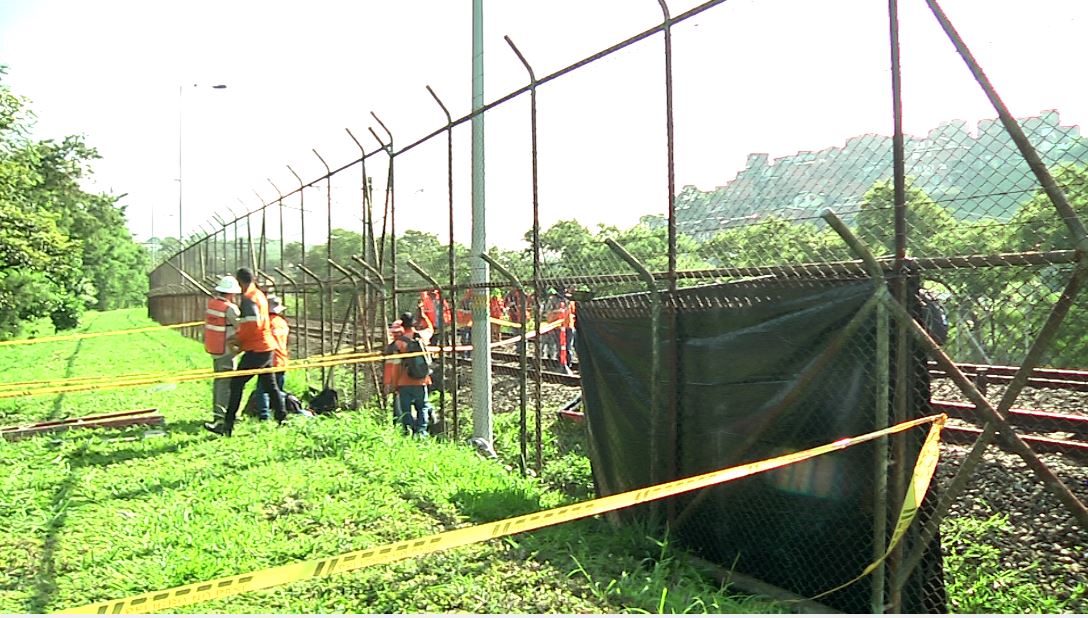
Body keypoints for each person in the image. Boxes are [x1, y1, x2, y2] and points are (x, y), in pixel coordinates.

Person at [205, 268, 286, 436]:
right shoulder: (259, 295)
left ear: (240, 281)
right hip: (267, 347)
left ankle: (227, 426)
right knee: (271, 386)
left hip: (257, 349)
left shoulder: (248, 299)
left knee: (236, 384)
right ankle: (282, 418)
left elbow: (252, 325)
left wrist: (238, 340)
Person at [383, 311, 434, 437]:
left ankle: (409, 432)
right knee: (422, 407)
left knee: (406, 410)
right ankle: (421, 433)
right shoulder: (421, 336)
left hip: (404, 382)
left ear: (402, 325)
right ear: (414, 323)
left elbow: (395, 366)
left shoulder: (399, 343)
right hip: (421, 380)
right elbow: (430, 329)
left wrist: (394, 385)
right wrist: (424, 316)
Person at [204, 275, 242, 428]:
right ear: (231, 293)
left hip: (214, 347)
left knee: (219, 381)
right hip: (226, 349)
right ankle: (222, 414)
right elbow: (241, 326)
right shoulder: (229, 308)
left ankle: (218, 411)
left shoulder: (212, 304)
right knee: (225, 383)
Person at [254, 294, 289, 421]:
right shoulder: (282, 322)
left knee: (262, 390)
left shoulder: (266, 323)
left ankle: (264, 416)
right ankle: (280, 413)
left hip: (270, 360)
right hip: (283, 360)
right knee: (278, 390)